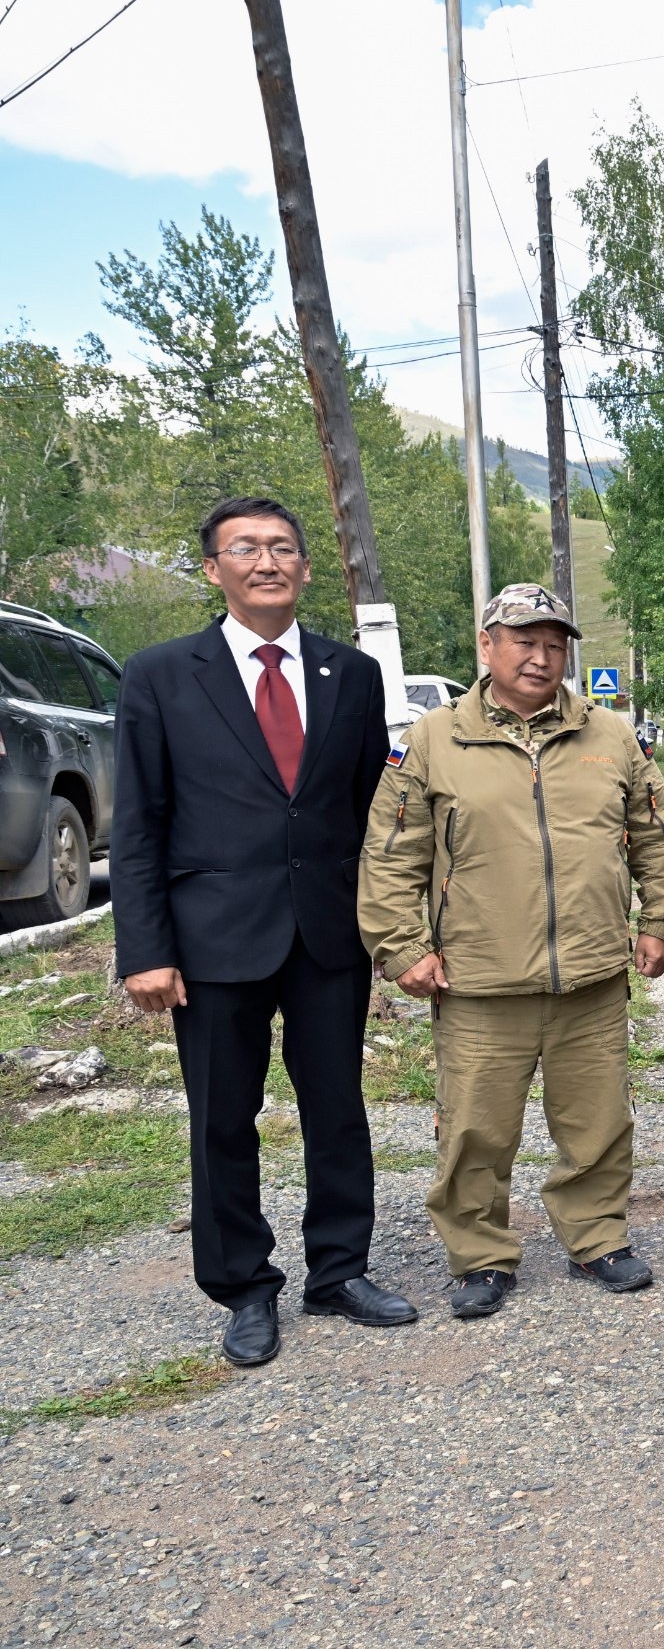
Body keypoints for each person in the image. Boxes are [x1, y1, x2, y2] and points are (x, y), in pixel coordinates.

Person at [113, 496, 414, 1366]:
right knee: (221, 1118)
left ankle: (340, 1269)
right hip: (211, 941)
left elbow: (370, 812)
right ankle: (244, 1286)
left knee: (337, 1109)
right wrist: (147, 949)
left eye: (284, 548)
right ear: (213, 569)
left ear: (306, 568)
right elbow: (138, 823)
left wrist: (387, 926)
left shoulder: (348, 675)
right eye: (246, 549)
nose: (267, 561)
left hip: (326, 935)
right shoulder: (163, 674)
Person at [359, 583, 664, 1320]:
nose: (541, 657)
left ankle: (597, 1237)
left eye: (554, 644)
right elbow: (388, 853)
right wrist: (402, 946)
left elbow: (659, 836)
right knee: (476, 1127)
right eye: (524, 641)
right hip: (479, 977)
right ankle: (479, 1257)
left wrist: (660, 921)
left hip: (592, 974)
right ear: (487, 646)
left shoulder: (611, 736)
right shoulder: (435, 738)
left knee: (598, 1122)